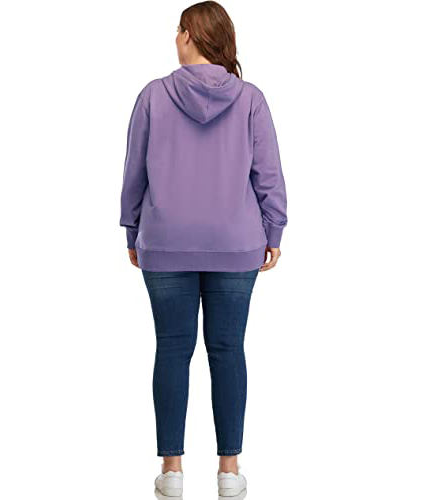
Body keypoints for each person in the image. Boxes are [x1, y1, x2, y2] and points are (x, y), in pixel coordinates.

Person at [120, 1, 287, 497]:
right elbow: (268, 173)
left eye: (178, 31)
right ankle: (229, 472)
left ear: (191, 35)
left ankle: (172, 472)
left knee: (172, 348)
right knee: (228, 349)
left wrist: (132, 229)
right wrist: (274, 231)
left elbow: (134, 170)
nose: (175, 39)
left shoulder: (153, 95)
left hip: (166, 241)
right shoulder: (250, 99)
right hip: (236, 243)